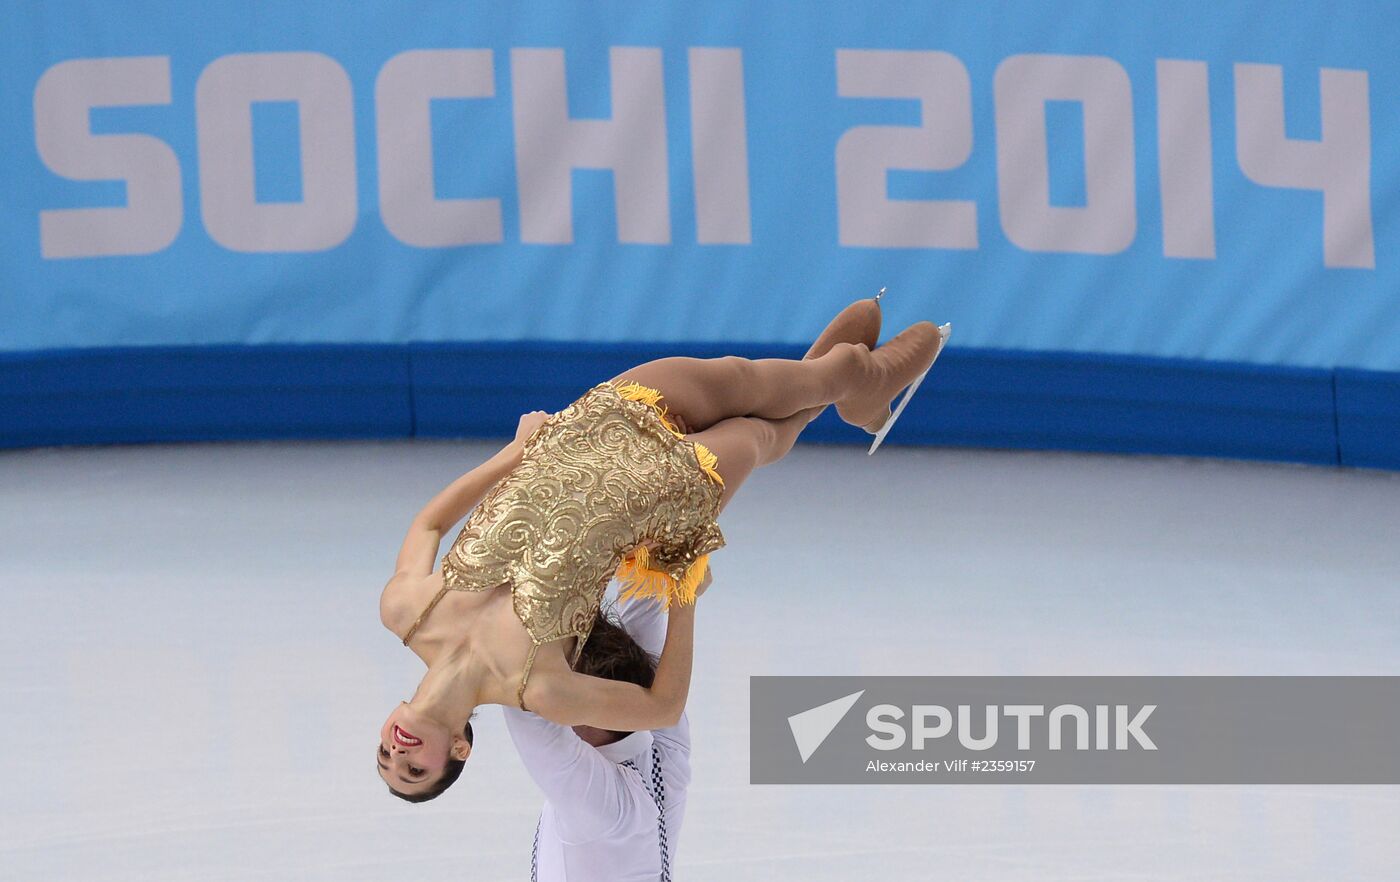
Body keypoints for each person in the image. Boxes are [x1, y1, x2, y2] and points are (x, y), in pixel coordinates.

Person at [375, 295, 950, 800]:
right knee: (762, 434)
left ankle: (857, 391)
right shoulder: (540, 689)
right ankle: (858, 381)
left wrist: (512, 454)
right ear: (459, 749)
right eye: (414, 770)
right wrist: (684, 591)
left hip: (598, 424)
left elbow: (428, 525)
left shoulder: (407, 613)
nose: (398, 755)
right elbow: (661, 709)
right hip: (668, 493)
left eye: (386, 757)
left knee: (749, 379)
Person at [506, 583, 706, 881]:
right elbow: (644, 602)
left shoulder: (597, 800)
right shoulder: (662, 744)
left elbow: (519, 685)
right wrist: (681, 585)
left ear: (587, 717)